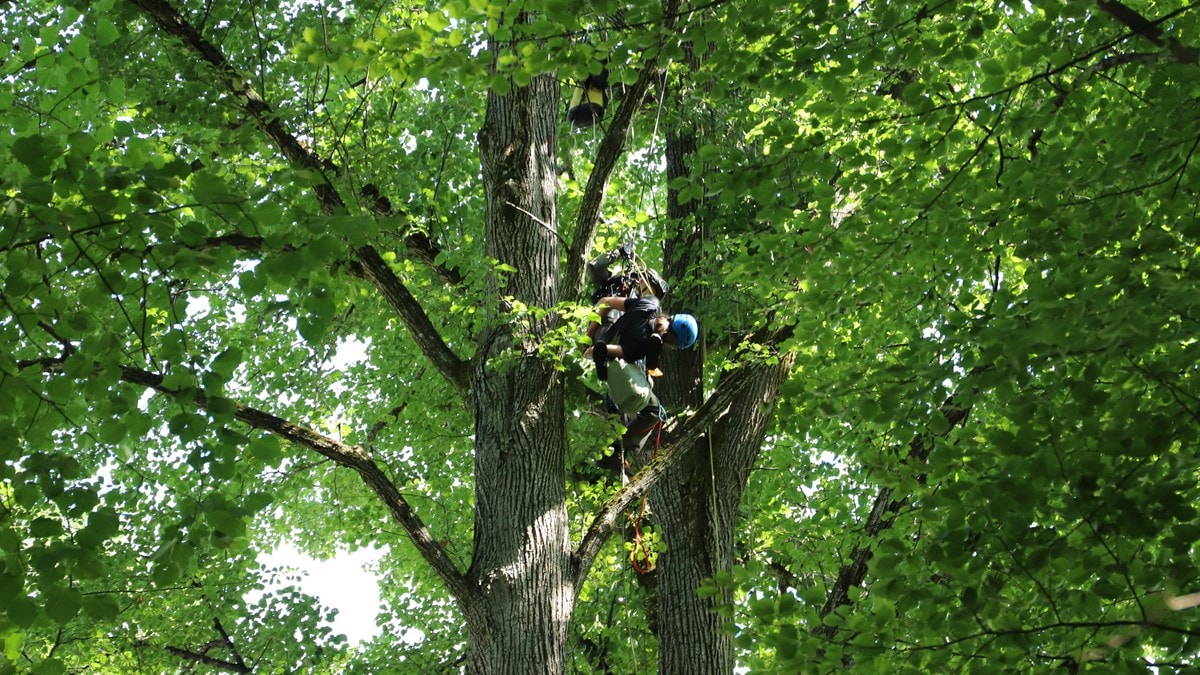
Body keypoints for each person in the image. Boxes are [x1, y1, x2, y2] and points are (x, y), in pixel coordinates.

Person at [583, 245, 699, 476]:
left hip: (617, 346)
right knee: (644, 401)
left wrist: (602, 352)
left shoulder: (646, 326)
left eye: (671, 341)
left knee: (637, 392)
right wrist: (617, 252)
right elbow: (598, 276)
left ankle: (617, 452)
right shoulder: (630, 292)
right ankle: (618, 451)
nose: (668, 340)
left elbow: (625, 351)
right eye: (669, 336)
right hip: (606, 328)